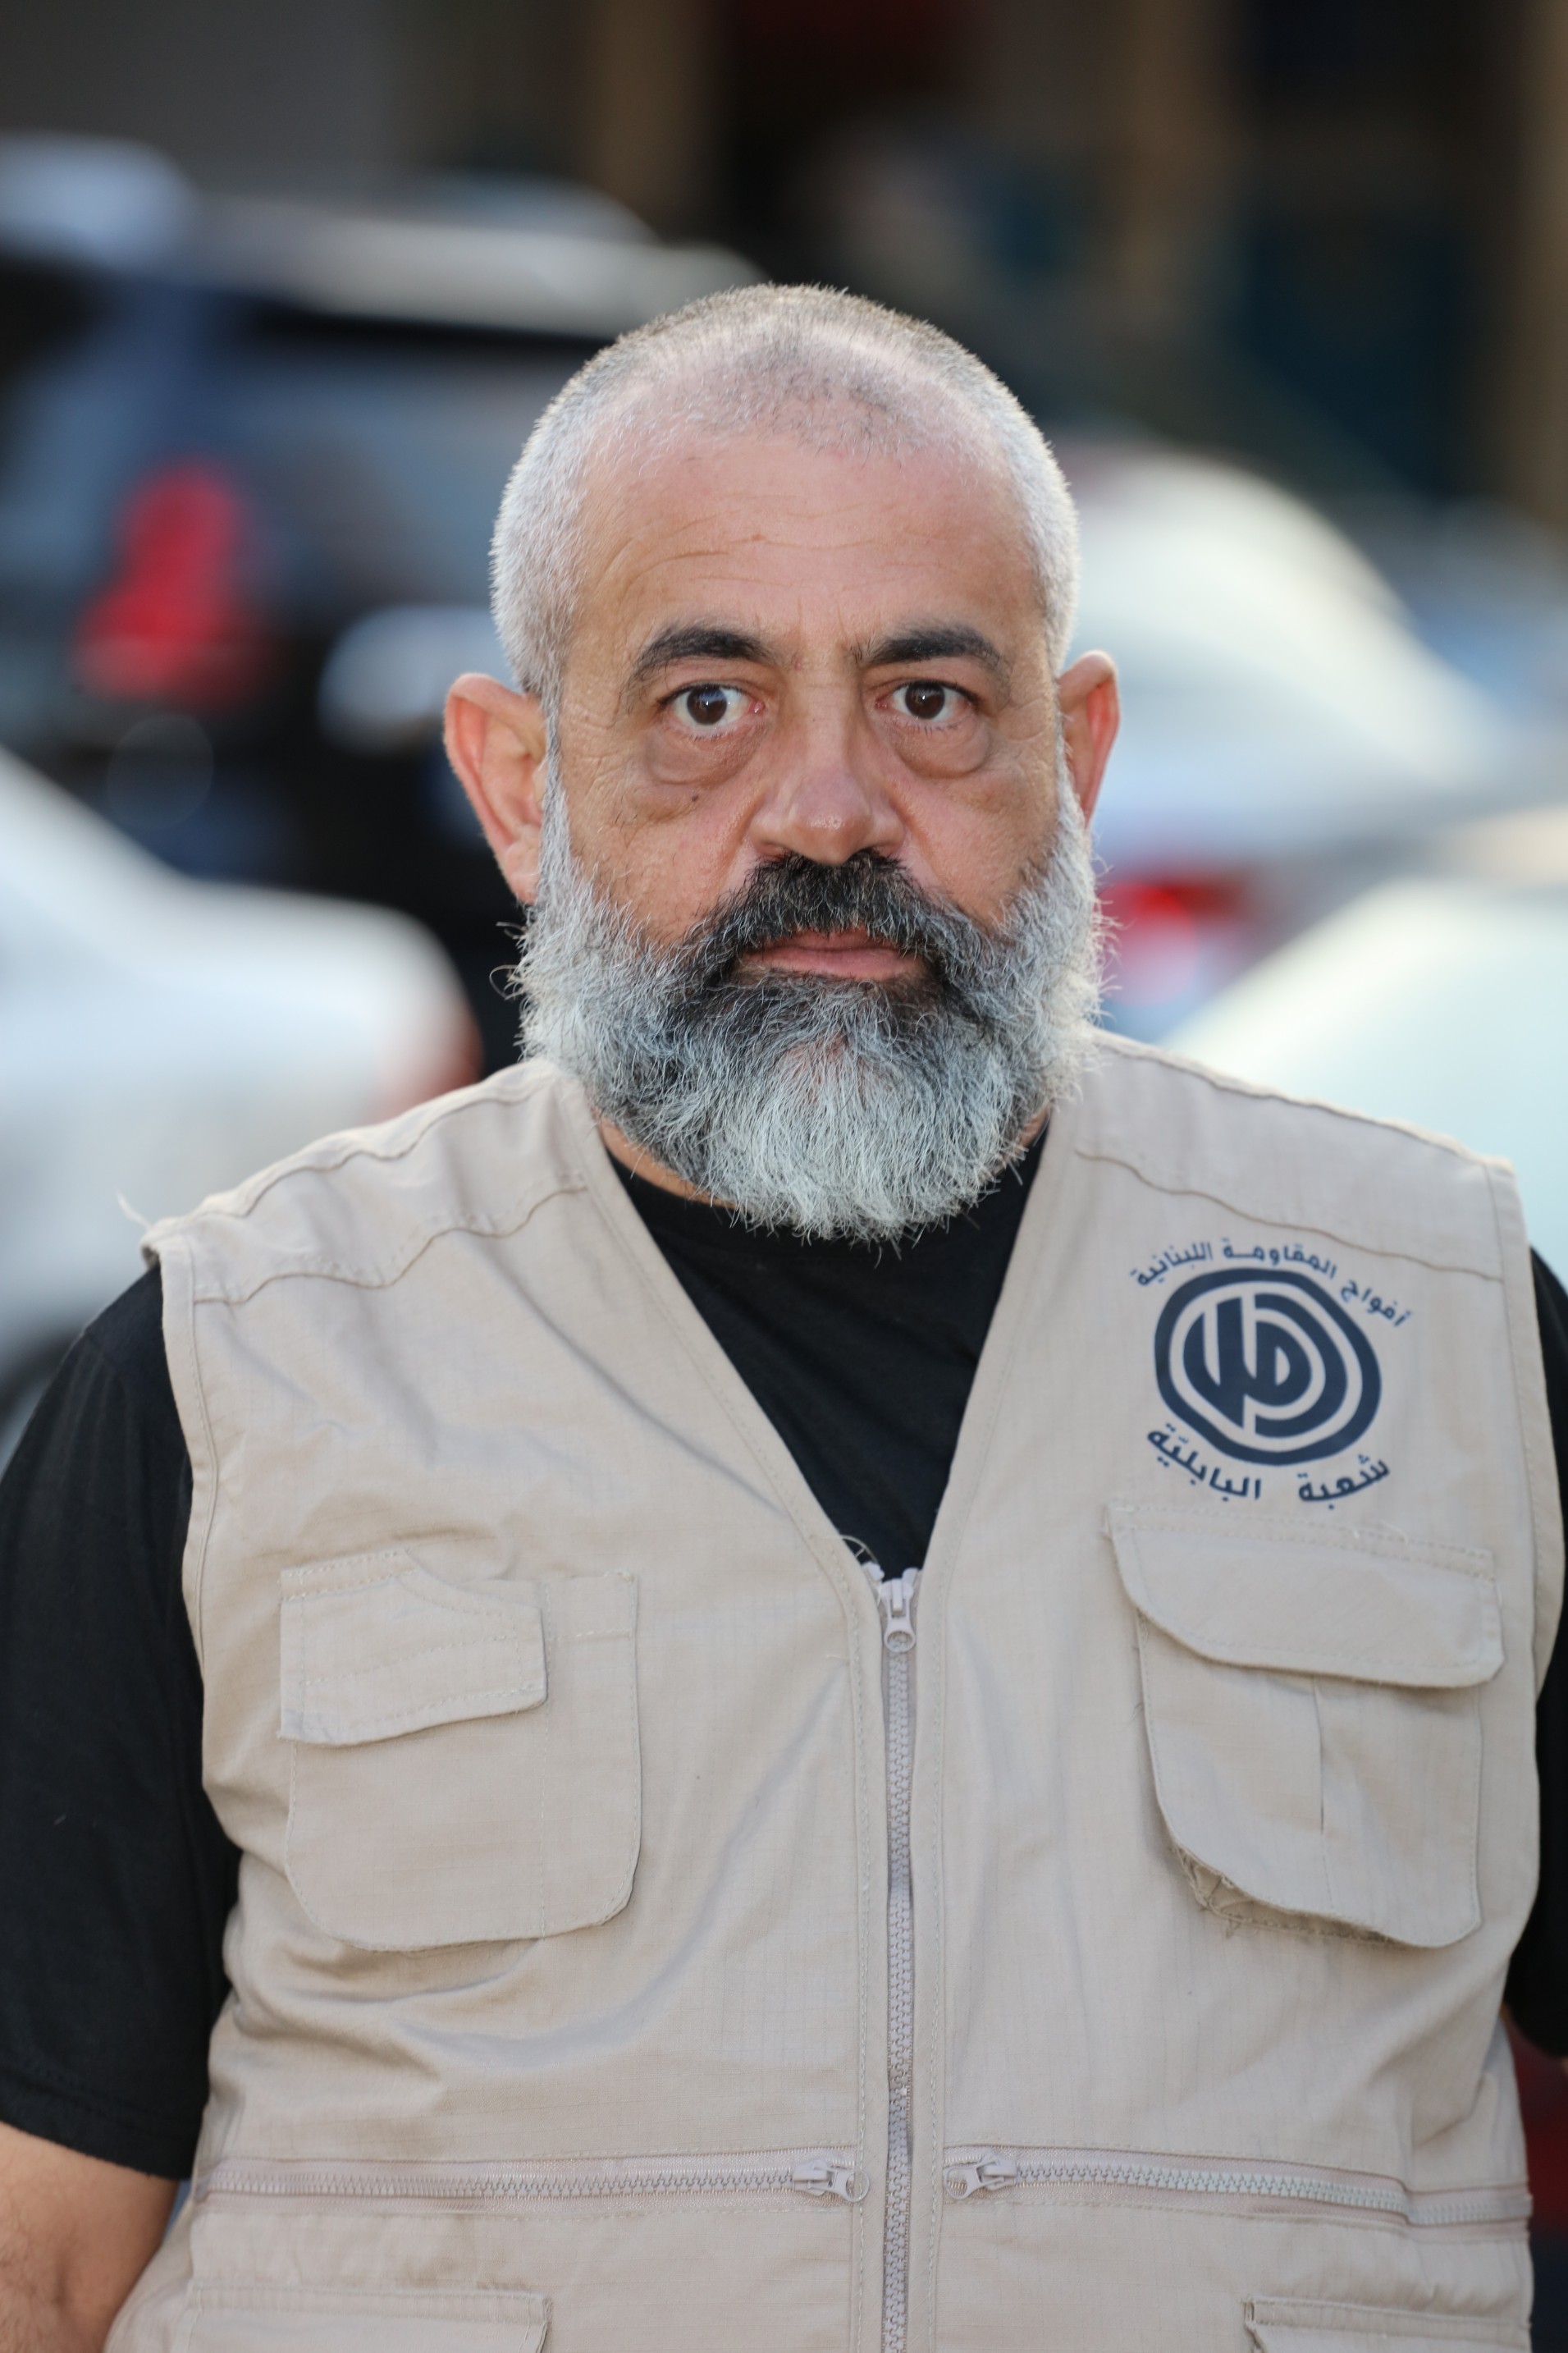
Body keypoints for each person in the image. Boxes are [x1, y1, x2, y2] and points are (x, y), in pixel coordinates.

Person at [0, 286, 1564, 2353]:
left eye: (927, 699)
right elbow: (38, 2255)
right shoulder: (231, 1371)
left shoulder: (1440, 1334)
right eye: (707, 703)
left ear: (1075, 759)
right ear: (517, 782)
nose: (828, 811)